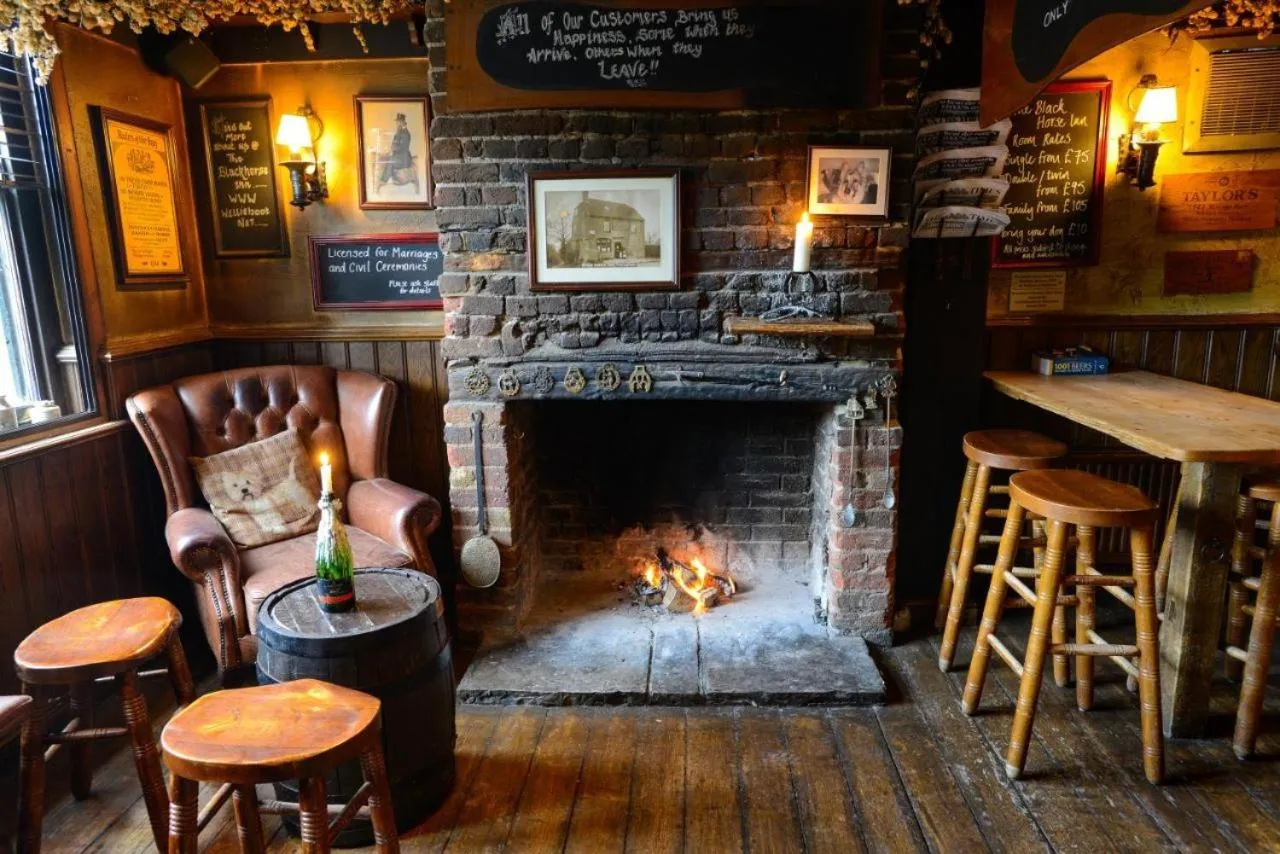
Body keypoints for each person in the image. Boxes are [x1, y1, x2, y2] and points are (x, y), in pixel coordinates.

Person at [378, 113, 415, 188]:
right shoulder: (399, 132)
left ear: (403, 122)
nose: (397, 123)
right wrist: (389, 151)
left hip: (404, 159)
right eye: (397, 122)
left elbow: (403, 148)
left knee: (391, 160)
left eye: (398, 122)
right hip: (399, 157)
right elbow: (393, 144)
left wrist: (393, 149)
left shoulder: (405, 134)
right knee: (385, 158)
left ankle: (383, 181)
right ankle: (383, 179)